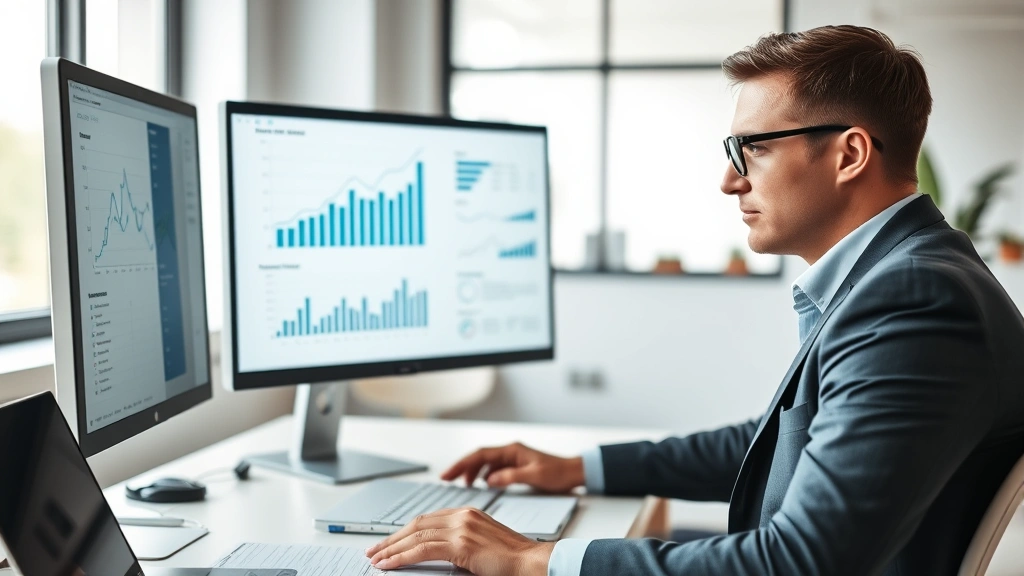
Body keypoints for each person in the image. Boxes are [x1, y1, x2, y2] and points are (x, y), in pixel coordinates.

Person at [366, 24, 1024, 576]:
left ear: (849, 154)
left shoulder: (915, 302)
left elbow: (803, 561)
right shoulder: (903, 277)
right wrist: (577, 468)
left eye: (752, 149)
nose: (729, 181)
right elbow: (778, 440)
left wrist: (533, 560)